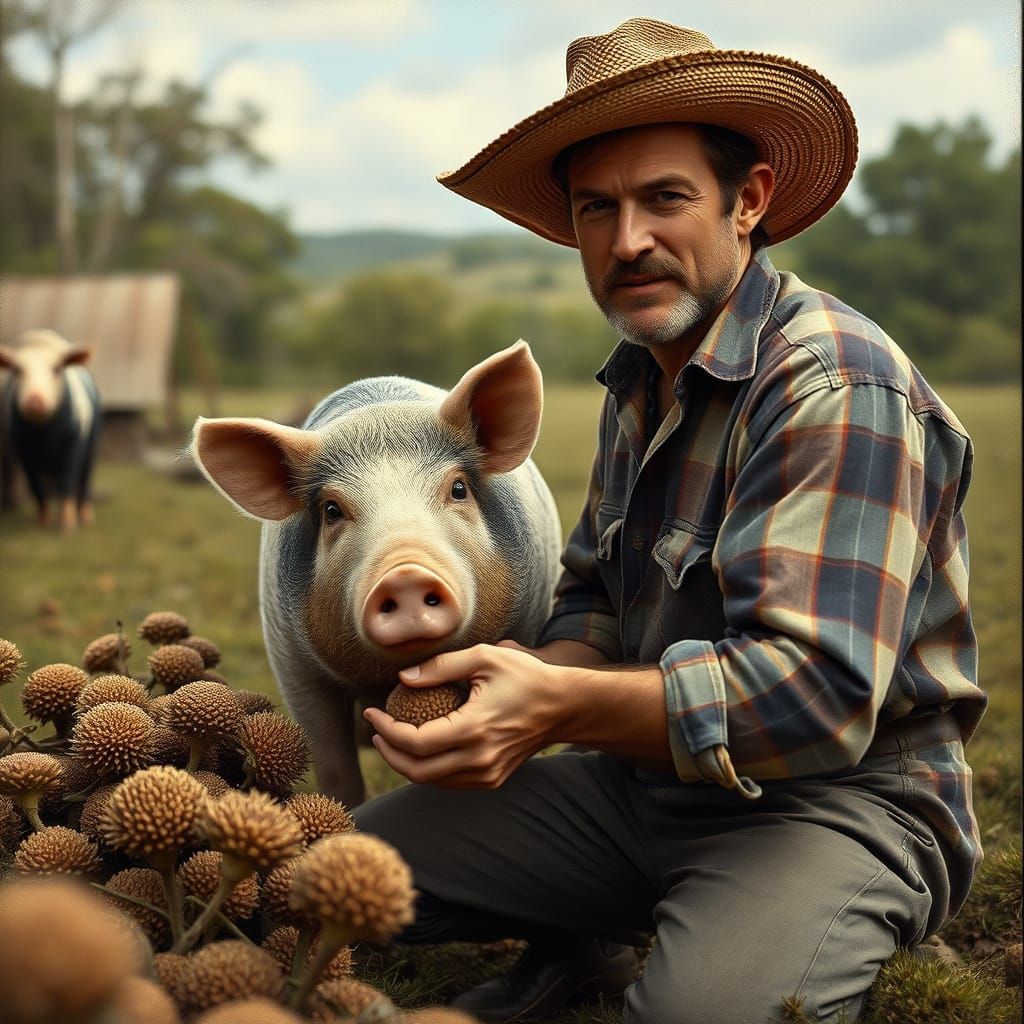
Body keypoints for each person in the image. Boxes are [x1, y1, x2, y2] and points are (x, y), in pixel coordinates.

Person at [353, 18, 986, 1024]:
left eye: (664, 199)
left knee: (701, 1011)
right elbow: (595, 595)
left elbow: (816, 694)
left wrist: (554, 709)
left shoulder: (835, 386)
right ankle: (586, 941)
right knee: (333, 875)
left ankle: (836, 923)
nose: (627, 239)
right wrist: (507, 694)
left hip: (839, 801)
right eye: (595, 208)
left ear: (748, 202)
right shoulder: (641, 377)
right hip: (639, 789)